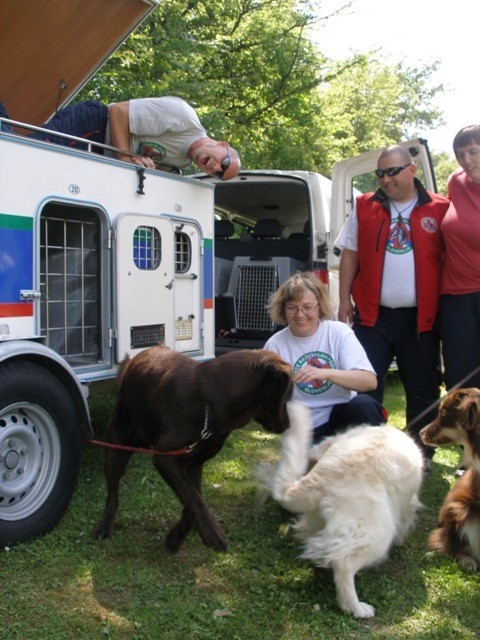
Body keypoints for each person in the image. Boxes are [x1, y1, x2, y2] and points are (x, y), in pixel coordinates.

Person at [335, 144, 449, 466]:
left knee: (422, 389)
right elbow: (350, 254)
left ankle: (419, 456)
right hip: (374, 316)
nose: (385, 180)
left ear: (412, 170)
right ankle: (367, 452)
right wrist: (344, 300)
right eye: (380, 173)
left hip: (421, 320)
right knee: (364, 387)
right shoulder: (364, 206)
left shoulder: (440, 208)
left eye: (392, 172)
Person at [264, 271, 385, 444]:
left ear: (319, 306)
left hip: (343, 417)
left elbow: (369, 381)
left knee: (365, 404)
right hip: (304, 426)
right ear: (283, 309)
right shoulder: (275, 345)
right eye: (292, 307)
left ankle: (375, 458)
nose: (300, 315)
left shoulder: (338, 332)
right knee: (315, 469)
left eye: (307, 307)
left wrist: (325, 374)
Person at [0, 96, 240, 179]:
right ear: (222, 144)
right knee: (26, 153)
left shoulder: (181, 164)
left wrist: (142, 166)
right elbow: (118, 111)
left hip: (98, 157)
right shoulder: (183, 117)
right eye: (224, 162)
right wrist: (127, 160)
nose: (216, 168)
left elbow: (138, 168)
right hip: (93, 125)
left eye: (219, 174)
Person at [440, 125, 480, 391]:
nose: (467, 160)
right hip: (455, 297)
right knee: (459, 379)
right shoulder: (456, 181)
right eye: (460, 154)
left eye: (474, 152)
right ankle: (464, 432)